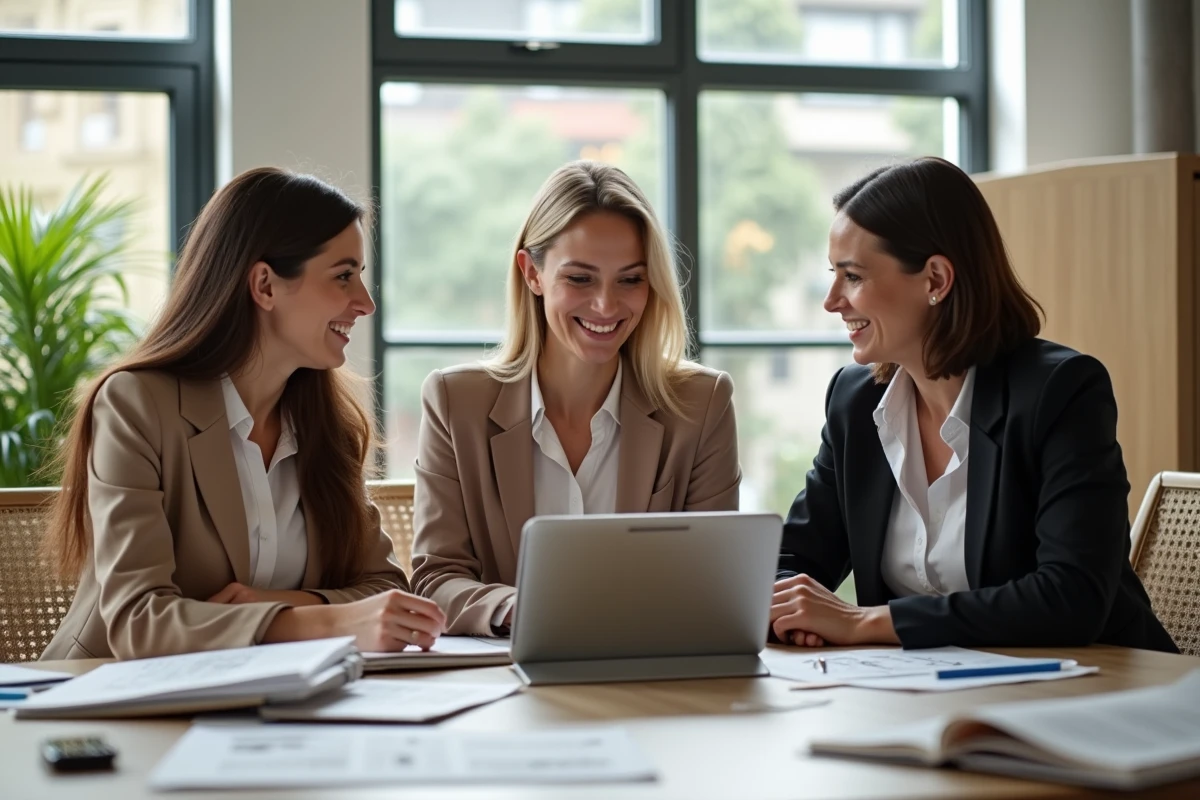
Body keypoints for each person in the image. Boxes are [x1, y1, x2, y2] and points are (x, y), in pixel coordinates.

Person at [770, 157, 1177, 653]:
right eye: (833, 275)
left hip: (1097, 693)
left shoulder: (1061, 392)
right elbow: (794, 559)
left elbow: (1071, 596)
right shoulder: (855, 402)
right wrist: (791, 610)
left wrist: (866, 623)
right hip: (926, 696)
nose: (832, 301)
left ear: (936, 280)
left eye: (853, 276)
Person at [42, 167, 446, 661]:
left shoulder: (328, 425)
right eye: (343, 276)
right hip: (112, 705)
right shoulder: (137, 405)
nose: (364, 303)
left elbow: (381, 587)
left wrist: (274, 606)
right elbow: (140, 623)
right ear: (265, 285)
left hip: (273, 704)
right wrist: (325, 620)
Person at [410, 161, 741, 636]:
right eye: (580, 279)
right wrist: (526, 609)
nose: (606, 306)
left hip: (650, 673)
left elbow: (716, 577)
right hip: (506, 683)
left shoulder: (701, 403)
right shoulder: (454, 401)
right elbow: (434, 578)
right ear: (532, 273)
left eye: (630, 280)